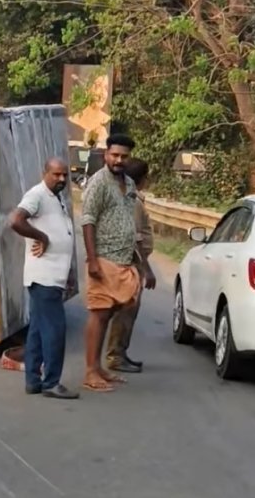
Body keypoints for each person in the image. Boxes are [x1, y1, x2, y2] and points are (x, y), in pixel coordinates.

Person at [81, 134, 156, 393]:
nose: (119, 160)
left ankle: (100, 366)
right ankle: (90, 371)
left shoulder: (128, 184)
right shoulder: (98, 183)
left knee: (115, 311)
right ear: (106, 155)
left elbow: (131, 225)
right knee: (99, 313)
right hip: (104, 259)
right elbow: (88, 220)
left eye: (124, 156)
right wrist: (92, 260)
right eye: (114, 155)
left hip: (125, 261)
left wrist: (143, 266)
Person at [8, 157, 79, 400]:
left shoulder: (55, 197)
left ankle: (33, 382)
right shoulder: (37, 194)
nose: (61, 179)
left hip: (53, 277)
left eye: (64, 175)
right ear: (45, 173)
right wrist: (42, 237)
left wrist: (67, 272)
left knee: (37, 332)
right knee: (55, 331)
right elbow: (15, 220)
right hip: (44, 278)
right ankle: (51, 382)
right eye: (56, 174)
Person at [105, 158, 154, 373]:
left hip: (128, 260)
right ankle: (115, 355)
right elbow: (135, 237)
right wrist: (146, 268)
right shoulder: (133, 201)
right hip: (130, 262)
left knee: (126, 312)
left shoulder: (133, 199)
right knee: (126, 310)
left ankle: (120, 352)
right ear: (142, 178)